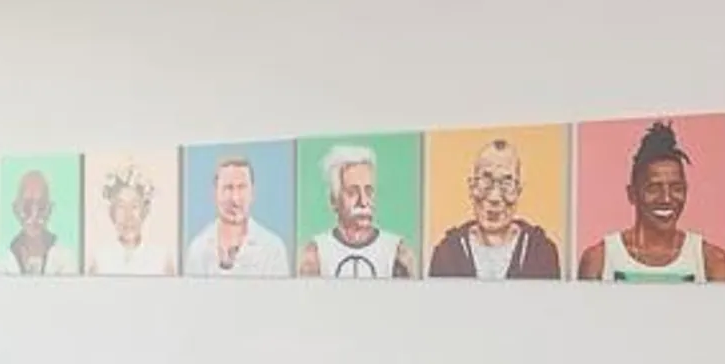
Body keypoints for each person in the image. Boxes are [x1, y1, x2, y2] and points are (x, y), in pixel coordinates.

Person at [579, 120, 725, 281]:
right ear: (632, 194)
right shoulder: (599, 260)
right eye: (653, 188)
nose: (666, 199)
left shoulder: (712, 262)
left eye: (676, 188)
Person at [428, 135, 562, 279]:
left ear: (518, 191)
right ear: (471, 187)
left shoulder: (540, 251)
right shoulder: (448, 252)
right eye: (486, 181)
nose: (494, 197)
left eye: (506, 183)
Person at [298, 143, 416, 278]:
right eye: (352, 192)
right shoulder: (316, 253)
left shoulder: (397, 252)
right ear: (334, 200)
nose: (364, 202)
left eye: (368, 191)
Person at [186, 151, 290, 276]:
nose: (235, 199)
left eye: (242, 188)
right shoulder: (198, 248)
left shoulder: (272, 248)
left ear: (253, 192)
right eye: (228, 188)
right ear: (215, 192)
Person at [91, 158, 172, 275]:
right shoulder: (100, 260)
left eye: (134, 206)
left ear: (145, 211)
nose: (128, 216)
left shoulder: (161, 260)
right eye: (121, 206)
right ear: (111, 213)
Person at [5, 165, 77, 276]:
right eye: (27, 207)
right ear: (16, 209)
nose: (34, 216)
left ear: (50, 210)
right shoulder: (5, 263)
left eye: (41, 207)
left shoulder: (65, 260)